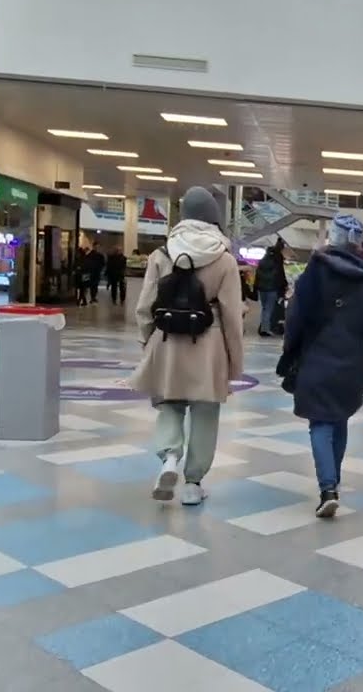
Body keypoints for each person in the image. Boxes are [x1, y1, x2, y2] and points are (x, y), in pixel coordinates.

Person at [130, 187, 245, 506]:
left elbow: (144, 307)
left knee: (170, 403)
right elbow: (233, 316)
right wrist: (234, 361)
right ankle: (193, 483)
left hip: (167, 341)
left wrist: (148, 342)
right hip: (209, 343)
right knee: (206, 412)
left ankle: (169, 457)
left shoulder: (161, 254)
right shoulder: (224, 259)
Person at [277, 213, 363, 518]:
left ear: (332, 239)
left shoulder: (312, 274)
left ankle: (328, 488)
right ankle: (334, 481)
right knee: (339, 420)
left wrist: (289, 353)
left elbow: (295, 320)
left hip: (315, 358)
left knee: (320, 423)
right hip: (350, 365)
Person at [253, 237, 287, 336]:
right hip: (272, 288)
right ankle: (265, 329)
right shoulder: (277, 259)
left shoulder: (263, 260)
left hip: (262, 288)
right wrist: (283, 285)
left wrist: (256, 287)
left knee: (264, 308)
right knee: (269, 308)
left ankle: (264, 326)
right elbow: (280, 274)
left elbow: (257, 274)